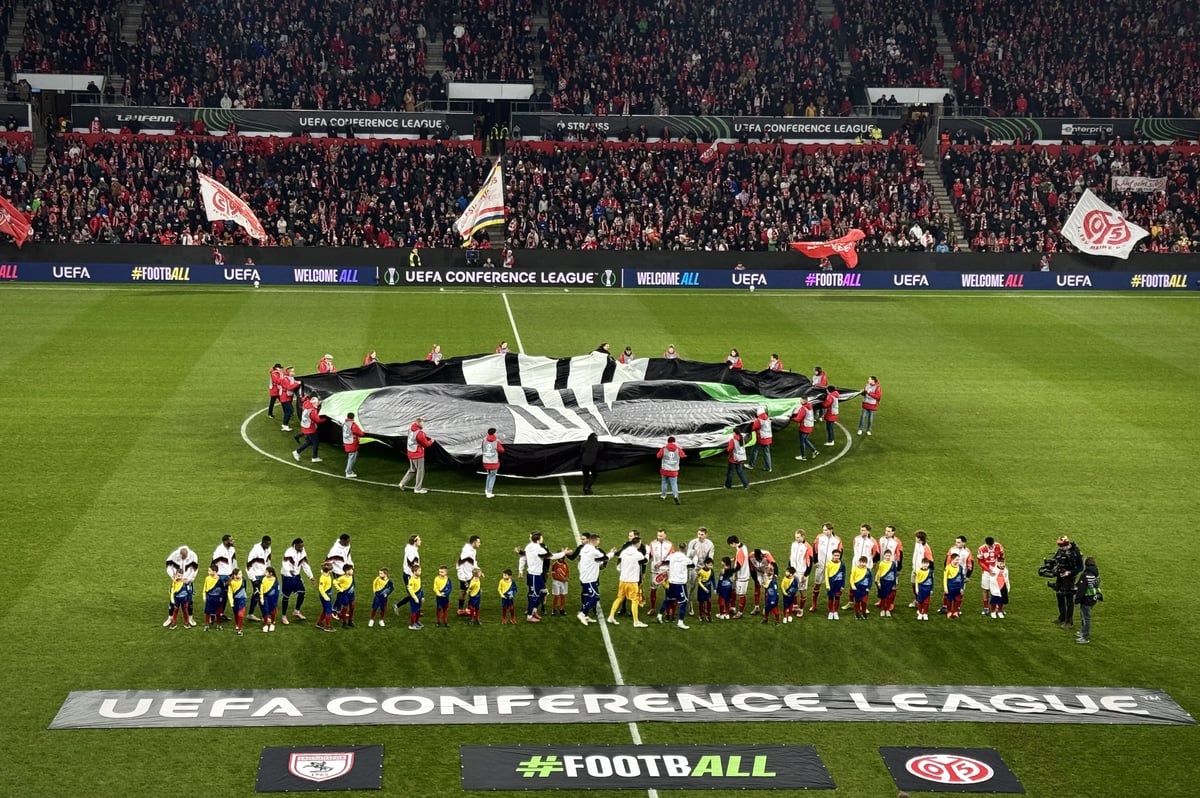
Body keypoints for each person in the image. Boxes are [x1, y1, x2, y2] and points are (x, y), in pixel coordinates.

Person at [518, 531, 566, 622]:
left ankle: (534, 610)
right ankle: (529, 616)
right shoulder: (538, 549)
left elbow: (523, 555)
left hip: (537, 575)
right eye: (541, 538)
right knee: (534, 596)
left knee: (544, 592)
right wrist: (563, 553)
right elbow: (550, 556)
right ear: (538, 540)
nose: (542, 539)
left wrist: (520, 555)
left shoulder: (528, 546)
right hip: (534, 575)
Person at [607, 534, 649, 626]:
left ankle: (611, 616)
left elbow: (619, 565)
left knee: (619, 598)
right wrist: (647, 552)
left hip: (623, 580)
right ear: (638, 544)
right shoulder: (638, 554)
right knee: (635, 600)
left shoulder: (624, 552)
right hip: (632, 581)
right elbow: (645, 561)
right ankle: (636, 621)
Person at [570, 532, 609, 624]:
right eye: (598, 540)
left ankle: (586, 615)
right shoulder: (594, 551)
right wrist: (611, 553)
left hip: (584, 577)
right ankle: (583, 613)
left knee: (587, 596)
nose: (599, 542)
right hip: (590, 578)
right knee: (595, 597)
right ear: (594, 541)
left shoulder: (584, 549)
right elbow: (604, 557)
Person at [280, 538, 315, 625]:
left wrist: (311, 577)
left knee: (302, 592)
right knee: (286, 597)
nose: (301, 548)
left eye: (302, 547)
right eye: (299, 547)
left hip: (296, 576)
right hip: (287, 576)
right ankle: (283, 616)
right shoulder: (289, 552)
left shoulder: (302, 551)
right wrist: (289, 571)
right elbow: (284, 564)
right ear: (295, 545)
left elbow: (305, 564)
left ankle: (296, 611)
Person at [657, 547, 693, 629]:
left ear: (679, 548)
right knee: (683, 602)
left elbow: (665, 561)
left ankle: (659, 615)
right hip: (680, 584)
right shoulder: (686, 558)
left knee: (669, 600)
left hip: (672, 582)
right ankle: (680, 622)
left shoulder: (672, 556)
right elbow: (692, 565)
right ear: (685, 549)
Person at [809, 523, 842, 612]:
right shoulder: (819, 537)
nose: (824, 532)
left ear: (831, 530)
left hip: (831, 566)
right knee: (817, 584)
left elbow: (840, 552)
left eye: (826, 530)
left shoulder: (837, 540)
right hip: (820, 565)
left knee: (832, 585)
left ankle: (831, 606)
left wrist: (837, 563)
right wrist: (815, 561)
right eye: (823, 530)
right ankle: (814, 604)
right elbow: (814, 549)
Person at [163, 545, 199, 627]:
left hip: (187, 583)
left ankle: (190, 618)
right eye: (182, 556)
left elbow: (195, 570)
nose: (183, 558)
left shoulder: (193, 556)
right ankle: (170, 618)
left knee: (189, 600)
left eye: (184, 557)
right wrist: (172, 576)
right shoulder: (174, 555)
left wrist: (189, 579)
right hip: (177, 582)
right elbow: (168, 565)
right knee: (172, 600)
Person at [1053, 536, 1084, 629]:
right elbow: (1055, 560)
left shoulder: (1076, 553)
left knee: (1069, 599)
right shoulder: (1060, 551)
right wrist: (1055, 567)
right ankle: (1062, 616)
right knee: (1059, 595)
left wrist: (1069, 572)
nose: (1060, 548)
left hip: (1070, 578)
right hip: (1060, 576)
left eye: (1061, 546)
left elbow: (1080, 567)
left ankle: (1069, 621)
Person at [398, 417, 435, 493]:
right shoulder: (419, 433)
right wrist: (431, 441)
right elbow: (426, 444)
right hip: (417, 454)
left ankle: (402, 483)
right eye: (422, 422)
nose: (423, 424)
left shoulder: (410, 428)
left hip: (410, 452)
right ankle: (418, 489)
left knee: (412, 469)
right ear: (419, 423)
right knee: (420, 471)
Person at [940, 536, 974, 614]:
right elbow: (946, 561)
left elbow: (970, 565)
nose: (956, 544)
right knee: (946, 591)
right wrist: (946, 571)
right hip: (950, 575)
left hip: (961, 576)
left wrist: (968, 576)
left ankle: (957, 608)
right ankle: (945, 606)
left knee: (960, 592)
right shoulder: (952, 550)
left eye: (958, 542)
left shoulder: (968, 552)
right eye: (956, 542)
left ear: (963, 543)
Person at [647, 529, 675, 615]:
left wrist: (662, 563)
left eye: (661, 536)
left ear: (665, 535)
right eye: (658, 535)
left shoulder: (670, 545)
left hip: (665, 570)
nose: (659, 537)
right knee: (653, 588)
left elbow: (672, 558)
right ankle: (652, 608)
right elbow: (649, 555)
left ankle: (668, 608)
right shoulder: (652, 544)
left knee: (667, 589)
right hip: (655, 570)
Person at [245, 535, 272, 622]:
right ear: (263, 542)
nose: (268, 546)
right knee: (260, 594)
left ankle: (251, 614)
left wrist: (269, 573)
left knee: (257, 594)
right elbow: (248, 566)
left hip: (264, 575)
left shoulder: (268, 549)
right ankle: (265, 615)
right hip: (256, 576)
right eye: (267, 544)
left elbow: (268, 561)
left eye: (269, 544)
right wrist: (253, 579)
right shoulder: (255, 551)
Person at [393, 535, 423, 615]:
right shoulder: (412, 552)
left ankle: (418, 609)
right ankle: (397, 606)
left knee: (417, 592)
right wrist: (414, 575)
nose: (420, 541)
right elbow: (411, 565)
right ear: (415, 542)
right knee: (413, 594)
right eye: (419, 540)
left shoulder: (411, 549)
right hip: (410, 576)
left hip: (411, 575)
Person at [685, 527, 715, 603]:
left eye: (702, 534)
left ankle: (703, 603)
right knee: (692, 586)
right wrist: (693, 553)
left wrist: (706, 567)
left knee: (705, 585)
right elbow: (688, 556)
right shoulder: (692, 542)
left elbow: (710, 558)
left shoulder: (710, 544)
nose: (699, 536)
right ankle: (690, 603)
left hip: (704, 569)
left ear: (705, 535)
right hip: (694, 568)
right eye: (698, 534)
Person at [1074, 557, 1101, 643]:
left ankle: (1085, 637)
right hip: (1093, 597)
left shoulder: (1085, 575)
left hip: (1086, 598)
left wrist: (1077, 599)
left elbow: (1081, 589)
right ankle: (1083, 632)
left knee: (1086, 618)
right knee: (1085, 616)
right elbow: (1096, 585)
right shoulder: (1096, 573)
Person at [977, 536, 1005, 614]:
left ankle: (998, 607)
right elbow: (980, 561)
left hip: (997, 571)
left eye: (992, 545)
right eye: (989, 546)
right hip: (986, 572)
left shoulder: (998, 546)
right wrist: (988, 570)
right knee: (986, 589)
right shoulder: (981, 549)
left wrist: (1000, 567)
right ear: (986, 544)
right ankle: (986, 607)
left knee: (998, 589)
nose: (991, 547)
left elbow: (1002, 557)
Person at [455, 535, 482, 616]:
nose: (480, 544)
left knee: (467, 591)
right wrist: (462, 576)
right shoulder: (467, 551)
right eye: (478, 542)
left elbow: (473, 561)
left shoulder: (473, 550)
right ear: (474, 542)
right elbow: (459, 564)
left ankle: (465, 609)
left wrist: (478, 570)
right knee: (466, 592)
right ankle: (465, 610)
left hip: (470, 574)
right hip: (465, 576)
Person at [212, 534, 237, 620]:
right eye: (231, 540)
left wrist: (235, 572)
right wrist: (214, 576)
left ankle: (221, 613)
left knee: (225, 596)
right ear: (226, 542)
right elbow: (213, 564)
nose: (233, 541)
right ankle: (214, 614)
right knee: (219, 596)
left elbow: (234, 561)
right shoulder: (219, 551)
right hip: (221, 576)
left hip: (229, 575)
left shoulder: (232, 549)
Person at [788, 529, 813, 618]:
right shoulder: (793, 544)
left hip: (801, 573)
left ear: (803, 537)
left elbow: (810, 562)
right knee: (793, 589)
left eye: (798, 537)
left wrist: (806, 575)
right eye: (796, 537)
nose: (796, 539)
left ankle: (801, 609)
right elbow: (791, 557)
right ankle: (795, 606)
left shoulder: (807, 547)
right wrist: (789, 569)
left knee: (802, 591)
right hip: (793, 572)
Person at [292, 396, 324, 463]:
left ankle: (297, 452)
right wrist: (326, 419)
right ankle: (314, 457)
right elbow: (318, 420)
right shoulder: (312, 411)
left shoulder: (306, 404)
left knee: (309, 442)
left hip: (305, 427)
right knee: (315, 443)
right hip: (310, 429)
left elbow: (305, 400)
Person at [727, 535, 752, 617]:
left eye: (730, 544)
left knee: (741, 595)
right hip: (739, 575)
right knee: (733, 590)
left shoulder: (740, 551)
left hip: (742, 576)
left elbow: (738, 566)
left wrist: (731, 571)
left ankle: (740, 613)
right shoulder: (743, 547)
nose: (730, 546)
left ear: (733, 543)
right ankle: (733, 608)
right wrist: (735, 559)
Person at [657, 436, 686, 504]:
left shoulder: (663, 449)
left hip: (665, 470)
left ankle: (663, 495)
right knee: (674, 484)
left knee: (664, 483)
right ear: (674, 441)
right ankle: (675, 496)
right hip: (673, 471)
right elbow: (683, 455)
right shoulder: (678, 449)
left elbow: (658, 456)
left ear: (667, 441)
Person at [748, 548, 776, 615]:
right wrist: (755, 580)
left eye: (760, 558)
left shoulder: (767, 554)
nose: (759, 560)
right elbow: (752, 570)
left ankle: (766, 607)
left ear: (761, 555)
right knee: (757, 588)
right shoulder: (750, 556)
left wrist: (775, 575)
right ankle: (756, 607)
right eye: (757, 559)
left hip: (767, 572)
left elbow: (775, 565)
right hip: (758, 572)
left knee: (767, 589)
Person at [908, 530, 932, 609]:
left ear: (919, 539)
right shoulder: (917, 544)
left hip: (922, 571)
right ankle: (916, 599)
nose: (915, 538)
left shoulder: (926, 548)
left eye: (916, 537)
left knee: (920, 587)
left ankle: (921, 602)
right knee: (913, 585)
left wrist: (927, 572)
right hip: (915, 569)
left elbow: (930, 561)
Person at [792, 396, 819, 461]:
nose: (800, 401)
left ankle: (803, 456)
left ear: (804, 401)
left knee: (802, 442)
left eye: (801, 400)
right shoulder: (809, 406)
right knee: (805, 440)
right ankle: (814, 451)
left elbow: (798, 419)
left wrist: (790, 418)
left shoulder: (803, 409)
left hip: (804, 427)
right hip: (809, 425)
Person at [747, 407, 774, 472]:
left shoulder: (759, 420)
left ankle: (751, 465)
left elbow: (753, 428)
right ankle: (768, 467)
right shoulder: (768, 418)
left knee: (754, 450)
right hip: (768, 437)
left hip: (761, 438)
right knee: (767, 453)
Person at [875, 550, 900, 618]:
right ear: (884, 556)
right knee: (883, 597)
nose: (888, 557)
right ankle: (883, 609)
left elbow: (894, 574)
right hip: (883, 582)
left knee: (889, 597)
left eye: (889, 556)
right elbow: (879, 573)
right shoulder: (881, 564)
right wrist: (879, 582)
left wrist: (894, 584)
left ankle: (888, 610)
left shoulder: (893, 564)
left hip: (891, 583)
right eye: (886, 556)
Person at [823, 549, 847, 620]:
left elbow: (844, 575)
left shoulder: (842, 565)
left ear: (840, 556)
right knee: (831, 597)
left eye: (838, 555)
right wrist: (827, 585)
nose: (836, 557)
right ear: (832, 555)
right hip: (831, 583)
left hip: (839, 584)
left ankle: (835, 612)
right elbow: (826, 575)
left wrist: (843, 585)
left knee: (837, 597)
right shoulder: (828, 564)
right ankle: (830, 611)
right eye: (835, 555)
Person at [481, 428, 504, 498]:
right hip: (493, 462)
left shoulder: (484, 440)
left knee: (489, 475)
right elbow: (502, 450)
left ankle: (486, 490)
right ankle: (489, 492)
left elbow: (482, 448)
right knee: (493, 476)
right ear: (494, 433)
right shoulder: (496, 441)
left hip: (485, 460)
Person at [850, 555, 874, 620]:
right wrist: (853, 586)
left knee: (864, 602)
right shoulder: (855, 569)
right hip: (857, 588)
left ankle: (864, 613)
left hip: (865, 589)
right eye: (862, 562)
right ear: (859, 562)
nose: (863, 564)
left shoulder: (868, 570)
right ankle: (857, 614)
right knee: (857, 601)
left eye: (865, 562)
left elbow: (870, 580)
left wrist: (868, 587)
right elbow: (852, 578)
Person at [943, 553, 966, 618]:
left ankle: (955, 611)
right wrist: (945, 588)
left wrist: (962, 588)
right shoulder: (948, 567)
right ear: (952, 559)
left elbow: (962, 579)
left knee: (957, 600)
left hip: (958, 587)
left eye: (959, 560)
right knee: (949, 600)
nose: (958, 561)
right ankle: (949, 612)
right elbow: (945, 578)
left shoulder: (960, 567)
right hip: (950, 586)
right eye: (957, 560)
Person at [342, 412, 365, 478]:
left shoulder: (345, 423)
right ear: (353, 417)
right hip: (352, 443)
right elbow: (361, 433)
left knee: (351, 457)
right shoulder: (353, 425)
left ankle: (348, 470)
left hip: (347, 442)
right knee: (352, 458)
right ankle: (348, 472)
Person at [227, 568, 248, 636]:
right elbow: (230, 593)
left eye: (241, 574)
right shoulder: (231, 582)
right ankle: (237, 624)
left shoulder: (244, 580)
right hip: (235, 600)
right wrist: (231, 602)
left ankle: (240, 629)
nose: (240, 575)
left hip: (242, 599)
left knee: (240, 614)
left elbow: (245, 588)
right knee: (236, 614)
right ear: (234, 575)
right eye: (238, 574)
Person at [202, 565, 223, 631]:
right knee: (207, 611)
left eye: (209, 571)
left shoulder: (220, 580)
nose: (208, 572)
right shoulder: (207, 578)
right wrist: (204, 596)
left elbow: (222, 589)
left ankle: (218, 624)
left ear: (214, 571)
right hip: (209, 597)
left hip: (217, 598)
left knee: (218, 612)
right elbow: (205, 588)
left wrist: (221, 597)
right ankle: (207, 625)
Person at [278, 367, 299, 432]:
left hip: (287, 397)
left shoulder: (290, 378)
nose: (293, 372)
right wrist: (297, 383)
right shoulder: (285, 379)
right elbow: (289, 387)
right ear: (288, 372)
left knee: (288, 411)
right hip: (285, 397)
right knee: (289, 411)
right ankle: (285, 425)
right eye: (292, 371)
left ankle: (284, 424)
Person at [316, 562, 336, 632]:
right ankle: (327, 626)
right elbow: (321, 589)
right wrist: (326, 597)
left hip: (327, 595)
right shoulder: (323, 578)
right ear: (329, 570)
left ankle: (319, 623)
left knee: (325, 609)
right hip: (325, 596)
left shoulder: (327, 574)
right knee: (329, 610)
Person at [259, 567, 280, 632]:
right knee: (265, 611)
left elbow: (277, 591)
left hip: (273, 599)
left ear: (271, 573)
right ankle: (265, 625)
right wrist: (261, 598)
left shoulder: (275, 580)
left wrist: (275, 600)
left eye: (266, 572)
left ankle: (272, 624)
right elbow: (261, 589)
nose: (264, 573)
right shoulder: (264, 579)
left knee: (273, 611)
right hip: (266, 598)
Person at [406, 565, 425, 630]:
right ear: (414, 572)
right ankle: (412, 625)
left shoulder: (418, 578)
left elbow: (420, 588)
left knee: (418, 610)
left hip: (419, 596)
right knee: (414, 611)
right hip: (414, 598)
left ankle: (417, 621)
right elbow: (410, 590)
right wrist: (415, 598)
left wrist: (422, 596)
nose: (420, 572)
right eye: (419, 571)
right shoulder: (411, 580)